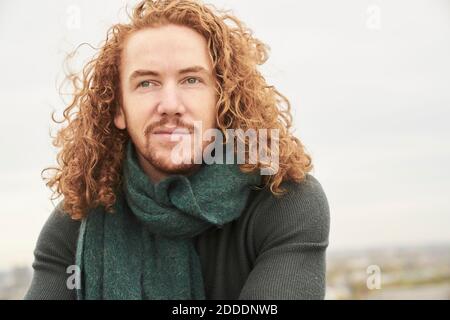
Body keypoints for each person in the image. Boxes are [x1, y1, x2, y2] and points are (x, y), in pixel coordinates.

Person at [24, 0, 330, 300]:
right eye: (146, 83)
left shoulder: (285, 200)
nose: (170, 104)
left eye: (191, 80)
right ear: (119, 108)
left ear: (222, 99)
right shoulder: (76, 221)